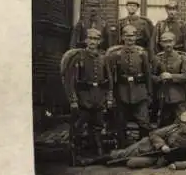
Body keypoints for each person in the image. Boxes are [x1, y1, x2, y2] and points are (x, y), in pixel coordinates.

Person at [61, 28, 114, 158]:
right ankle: (76, 154)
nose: (92, 41)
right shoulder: (78, 57)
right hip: (83, 99)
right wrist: (73, 100)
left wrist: (109, 98)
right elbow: (70, 81)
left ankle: (96, 152)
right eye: (90, 38)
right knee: (79, 126)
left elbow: (109, 80)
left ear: (100, 41)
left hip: (99, 98)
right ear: (85, 40)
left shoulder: (103, 58)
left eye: (96, 39)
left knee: (98, 126)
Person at [105, 25, 152, 145]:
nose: (130, 38)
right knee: (120, 122)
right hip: (122, 92)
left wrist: (149, 93)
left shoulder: (142, 53)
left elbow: (147, 74)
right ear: (123, 37)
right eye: (127, 35)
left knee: (144, 122)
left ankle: (144, 147)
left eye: (132, 35)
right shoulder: (116, 54)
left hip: (139, 91)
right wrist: (112, 94)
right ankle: (122, 148)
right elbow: (111, 75)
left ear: (136, 37)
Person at [152, 32, 186, 127]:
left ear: (174, 42)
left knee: (183, 123)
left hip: (179, 96)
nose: (168, 44)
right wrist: (159, 78)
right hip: (163, 96)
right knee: (163, 125)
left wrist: (171, 76)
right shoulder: (158, 58)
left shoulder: (182, 58)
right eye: (165, 42)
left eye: (170, 41)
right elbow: (151, 76)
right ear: (161, 43)